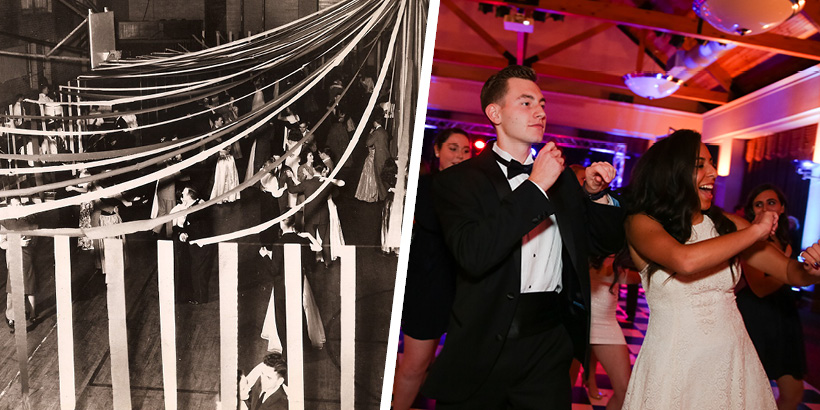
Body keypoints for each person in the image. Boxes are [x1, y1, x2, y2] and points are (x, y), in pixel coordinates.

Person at [421, 65, 625, 409]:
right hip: (484, 342)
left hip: (549, 345)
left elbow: (602, 246)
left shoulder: (562, 180)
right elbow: (474, 253)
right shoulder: (457, 182)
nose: (541, 111)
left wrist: (596, 196)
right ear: (495, 113)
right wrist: (534, 187)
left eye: (542, 104)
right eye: (527, 103)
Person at [620, 129, 820, 409]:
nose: (714, 172)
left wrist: (813, 268)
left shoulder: (726, 224)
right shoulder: (641, 223)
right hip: (675, 364)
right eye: (701, 165)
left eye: (712, 163)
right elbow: (685, 261)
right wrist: (756, 230)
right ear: (672, 172)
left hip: (733, 360)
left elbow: (789, 272)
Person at [392, 128, 470, 410]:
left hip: (464, 289)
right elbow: (434, 224)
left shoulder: (476, 191)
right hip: (428, 285)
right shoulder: (424, 186)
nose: (459, 155)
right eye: (452, 148)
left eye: (466, 150)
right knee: (414, 364)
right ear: (436, 150)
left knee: (457, 368)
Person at [736, 184, 807, 410]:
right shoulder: (750, 239)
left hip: (784, 315)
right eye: (759, 204)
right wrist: (790, 271)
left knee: (793, 392)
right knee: (751, 393)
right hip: (756, 316)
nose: (766, 207)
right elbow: (759, 288)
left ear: (783, 207)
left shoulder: (785, 238)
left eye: (771, 202)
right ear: (752, 211)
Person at [171, 186, 215, 305]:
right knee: (198, 270)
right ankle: (199, 296)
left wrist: (186, 234)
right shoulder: (198, 204)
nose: (182, 196)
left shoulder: (195, 211)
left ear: (190, 196)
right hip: (201, 243)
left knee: (198, 271)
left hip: (201, 245)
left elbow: (199, 230)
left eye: (184, 194)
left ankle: (200, 298)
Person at [1, 197, 39, 333]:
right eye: (15, 205)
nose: (18, 207)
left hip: (28, 257)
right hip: (13, 258)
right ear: (9, 207)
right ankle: (11, 315)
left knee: (29, 285)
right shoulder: (4, 223)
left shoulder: (27, 220)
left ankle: (32, 313)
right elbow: (2, 244)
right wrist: (18, 243)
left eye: (20, 204)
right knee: (13, 287)